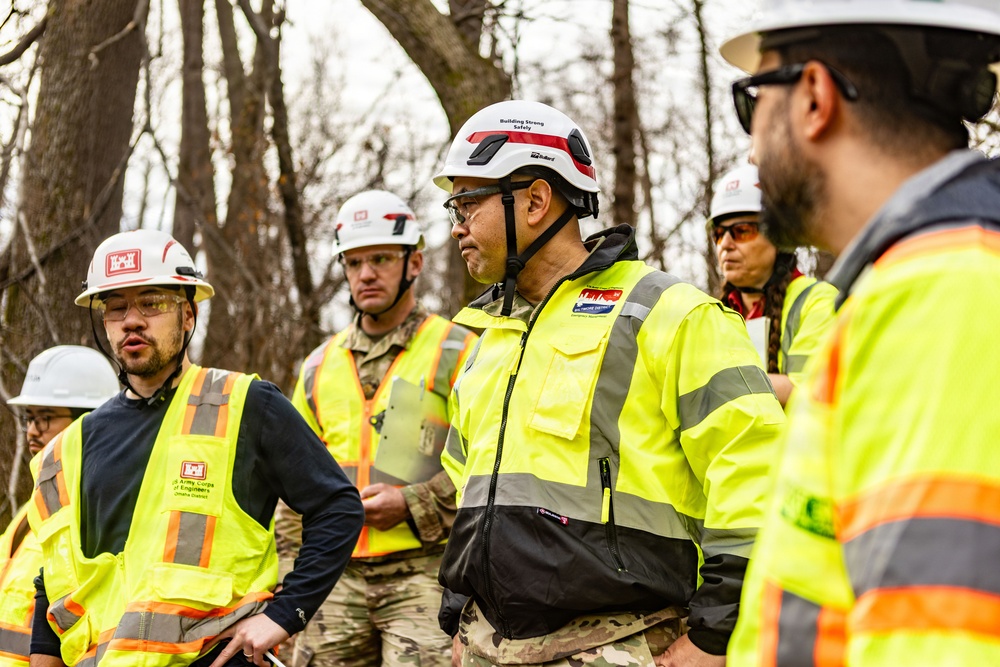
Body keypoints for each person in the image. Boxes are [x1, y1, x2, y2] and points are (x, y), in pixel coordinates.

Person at [432, 99, 785, 667]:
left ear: (536, 199)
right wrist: (459, 612)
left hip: (619, 646)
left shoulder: (671, 313)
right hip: (485, 645)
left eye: (468, 203)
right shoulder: (487, 340)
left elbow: (759, 479)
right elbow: (465, 486)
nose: (457, 227)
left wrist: (718, 633)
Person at [718, 0, 1000, 664]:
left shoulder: (941, 293)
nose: (751, 145)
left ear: (814, 96)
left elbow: (937, 640)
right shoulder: (920, 283)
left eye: (751, 100)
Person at [25, 229, 364, 667]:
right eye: (116, 307)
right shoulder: (70, 446)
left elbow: (337, 506)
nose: (132, 320)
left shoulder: (247, 404)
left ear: (188, 315)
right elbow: (53, 580)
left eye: (152, 303)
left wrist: (285, 614)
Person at [281, 190, 477, 667]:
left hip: (426, 575)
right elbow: (289, 487)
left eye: (382, 259)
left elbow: (490, 467)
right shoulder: (317, 365)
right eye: (354, 262)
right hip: (332, 577)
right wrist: (287, 589)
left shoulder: (458, 349)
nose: (366, 274)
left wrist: (412, 503)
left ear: (413, 263)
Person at [0, 346, 118, 666]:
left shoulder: (101, 514)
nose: (32, 430)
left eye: (46, 417)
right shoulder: (31, 513)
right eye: (29, 418)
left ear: (88, 422)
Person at [708, 164, 837, 406]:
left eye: (742, 231)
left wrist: (717, 386)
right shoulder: (710, 314)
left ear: (780, 236)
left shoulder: (818, 301)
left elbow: (809, 389)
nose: (725, 244)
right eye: (718, 233)